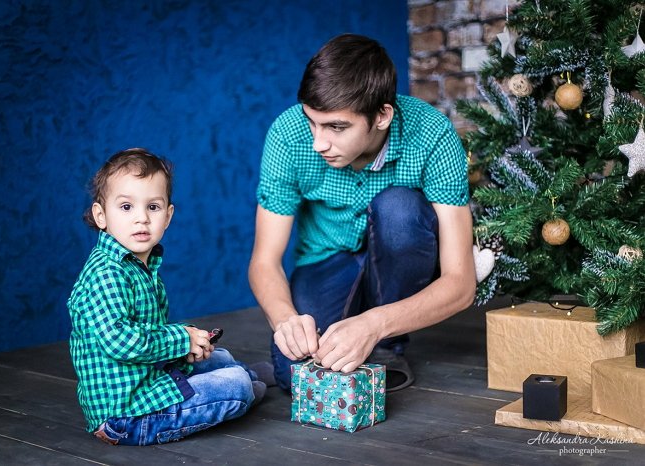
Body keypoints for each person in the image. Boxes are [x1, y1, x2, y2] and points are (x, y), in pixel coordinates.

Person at [248, 34, 476, 392]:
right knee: (294, 376)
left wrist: (375, 325)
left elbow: (461, 285)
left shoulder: (432, 133)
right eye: (312, 121)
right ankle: (350, 334)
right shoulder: (288, 135)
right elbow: (264, 260)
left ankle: (387, 348)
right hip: (327, 258)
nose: (319, 143)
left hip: (401, 255)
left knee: (400, 207)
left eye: (337, 127)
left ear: (382, 115)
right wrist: (286, 320)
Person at [68, 148, 266, 446]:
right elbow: (124, 342)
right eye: (126, 207)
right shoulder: (106, 273)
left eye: (153, 207)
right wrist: (181, 339)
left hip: (147, 380)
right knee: (234, 385)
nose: (141, 219)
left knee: (218, 356)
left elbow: (151, 332)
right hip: (126, 414)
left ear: (168, 215)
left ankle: (245, 377)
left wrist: (187, 342)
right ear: (101, 215)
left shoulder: (140, 265)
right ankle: (244, 386)